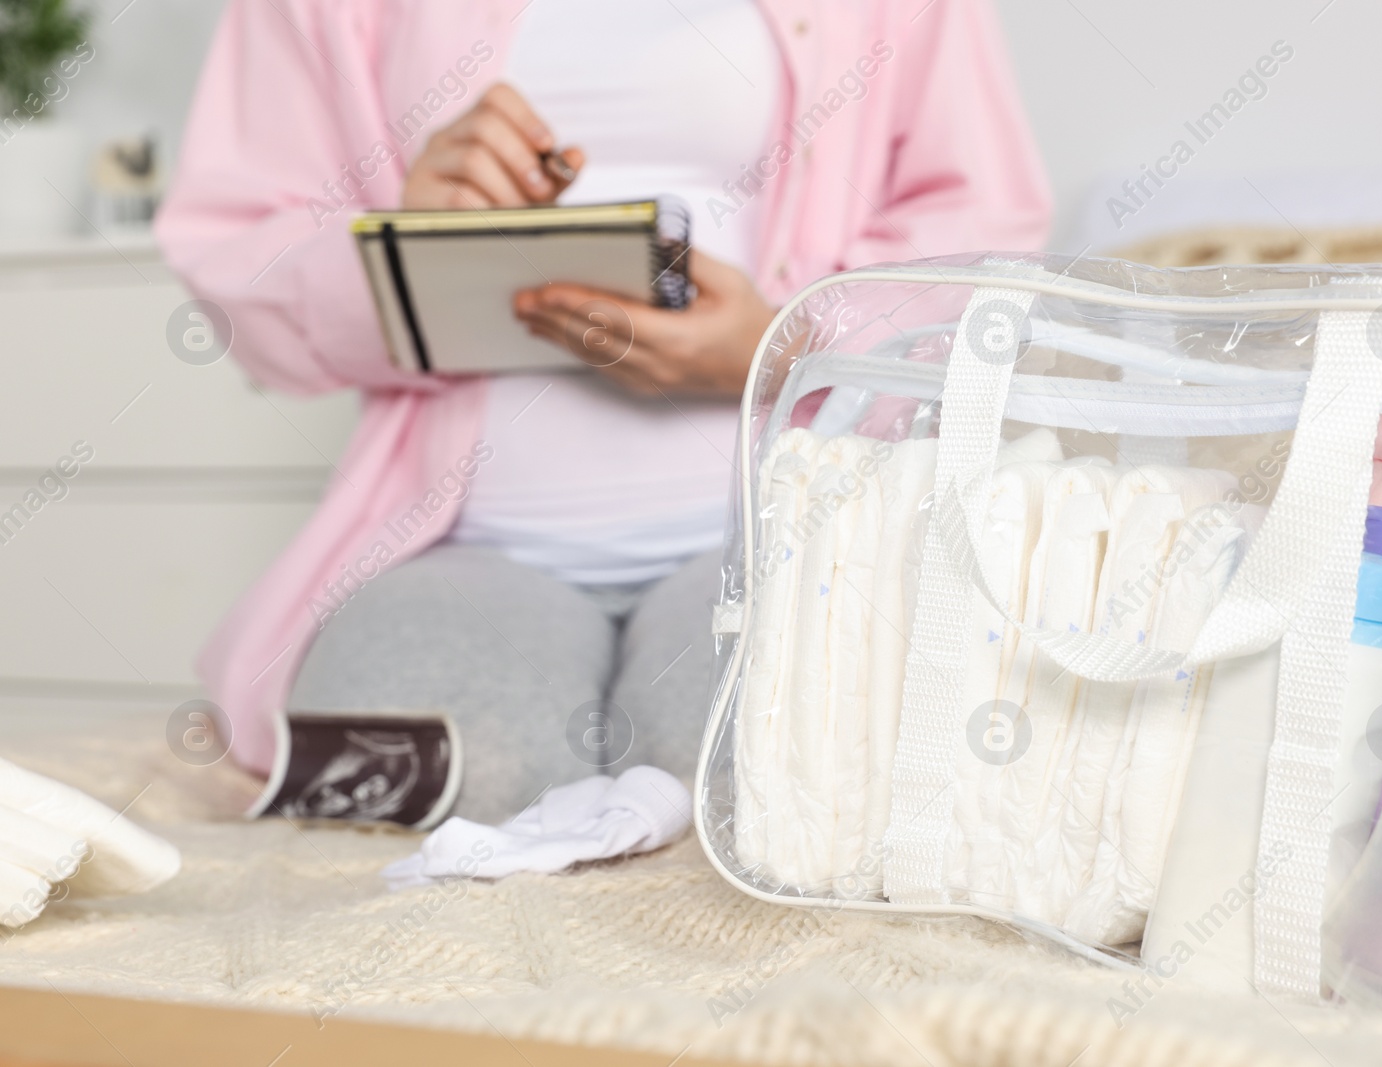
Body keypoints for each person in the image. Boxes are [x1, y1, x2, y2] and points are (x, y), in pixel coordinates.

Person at [156, 0, 1052, 821]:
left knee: (772, 769)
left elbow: (984, 227)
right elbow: (237, 263)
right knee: (400, 778)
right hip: (468, 548)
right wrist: (402, 241)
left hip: (776, 528)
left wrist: (785, 345)